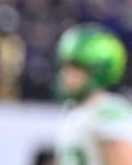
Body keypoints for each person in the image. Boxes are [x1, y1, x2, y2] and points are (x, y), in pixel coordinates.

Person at [54, 24, 132, 165]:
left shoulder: (109, 111)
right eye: (65, 66)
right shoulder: (75, 110)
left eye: (76, 68)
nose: (66, 74)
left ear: (98, 71)